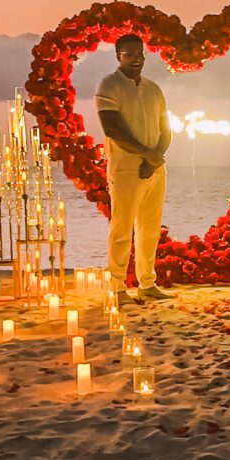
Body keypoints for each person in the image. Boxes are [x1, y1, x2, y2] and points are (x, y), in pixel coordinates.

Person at [96, 33, 171, 299]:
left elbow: (166, 131)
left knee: (150, 228)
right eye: (130, 54)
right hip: (125, 168)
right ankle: (117, 286)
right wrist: (146, 155)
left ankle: (147, 283)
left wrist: (154, 158)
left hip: (154, 169)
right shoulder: (109, 85)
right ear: (118, 56)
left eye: (141, 54)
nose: (137, 59)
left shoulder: (153, 89)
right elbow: (112, 128)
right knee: (122, 228)